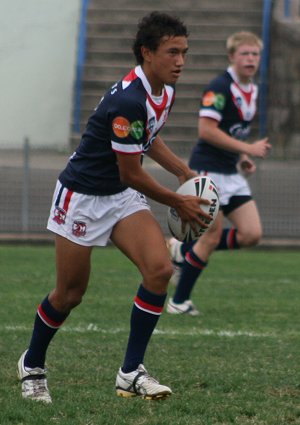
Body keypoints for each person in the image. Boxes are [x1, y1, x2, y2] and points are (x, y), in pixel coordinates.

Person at [17, 11, 212, 403]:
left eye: (185, 52)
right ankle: (32, 365)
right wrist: (179, 201)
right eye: (172, 52)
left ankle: (130, 372)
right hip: (82, 197)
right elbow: (131, 173)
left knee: (159, 270)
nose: (181, 62)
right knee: (70, 294)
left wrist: (182, 171)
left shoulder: (164, 91)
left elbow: (148, 138)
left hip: (118, 196)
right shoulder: (128, 100)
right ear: (147, 53)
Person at [167, 31, 271, 316]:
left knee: (252, 234)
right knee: (211, 238)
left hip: (231, 172)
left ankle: (182, 251)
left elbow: (231, 131)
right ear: (231, 57)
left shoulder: (253, 89)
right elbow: (207, 131)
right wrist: (247, 147)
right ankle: (179, 302)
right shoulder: (219, 87)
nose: (251, 59)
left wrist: (242, 156)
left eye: (255, 54)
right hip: (208, 169)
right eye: (245, 54)